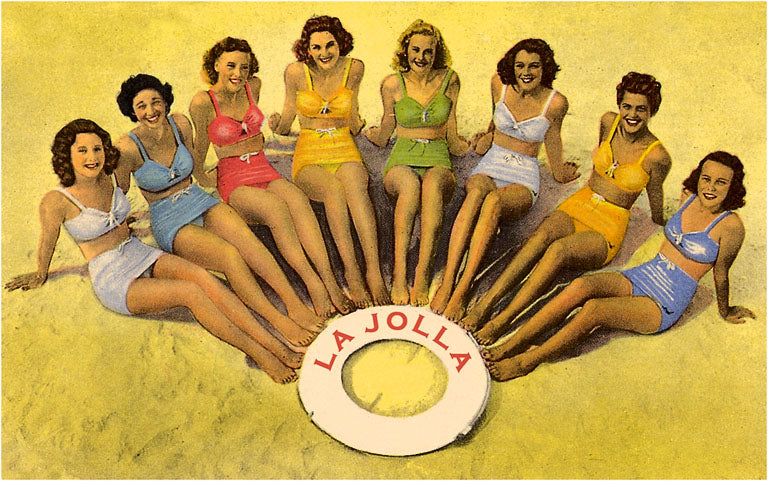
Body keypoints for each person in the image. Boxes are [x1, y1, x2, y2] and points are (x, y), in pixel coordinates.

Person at [4, 119, 302, 383]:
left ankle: (273, 342)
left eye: (97, 149)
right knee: (191, 293)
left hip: (138, 252)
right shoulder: (56, 200)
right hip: (112, 277)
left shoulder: (108, 179)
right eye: (82, 150)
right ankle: (260, 354)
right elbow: (48, 241)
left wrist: (124, 223)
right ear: (66, 155)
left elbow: (121, 211)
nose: (92, 157)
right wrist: (40, 273)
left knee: (205, 278)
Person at [483, 152, 754, 380]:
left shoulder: (731, 226)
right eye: (706, 178)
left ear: (733, 187)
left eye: (721, 183)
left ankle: (528, 360)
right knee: (581, 285)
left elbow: (721, 273)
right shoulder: (689, 198)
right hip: (644, 274)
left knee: (594, 310)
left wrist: (726, 310)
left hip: (665, 302)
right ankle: (511, 342)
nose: (710, 187)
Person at [114, 74, 323, 347]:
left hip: (198, 199)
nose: (151, 111)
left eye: (156, 102)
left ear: (165, 101)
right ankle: (277, 319)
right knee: (229, 256)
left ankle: (293, 304)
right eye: (141, 106)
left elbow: (195, 160)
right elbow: (118, 191)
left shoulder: (180, 123)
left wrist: (211, 175)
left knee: (248, 242)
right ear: (131, 111)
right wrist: (120, 224)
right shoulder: (127, 147)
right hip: (169, 219)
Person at [463, 72, 672, 345]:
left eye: (641, 109)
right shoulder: (608, 122)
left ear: (652, 110)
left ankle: (503, 319)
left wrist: (660, 219)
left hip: (608, 224)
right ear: (619, 104)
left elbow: (655, 193)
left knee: (558, 251)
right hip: (579, 203)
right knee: (539, 238)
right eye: (627, 106)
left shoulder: (657, 156)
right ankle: (485, 305)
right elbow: (598, 163)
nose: (632, 115)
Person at [188, 37, 352, 318]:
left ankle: (329, 280)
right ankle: (314, 285)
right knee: (276, 209)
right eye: (231, 66)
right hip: (233, 178)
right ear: (215, 65)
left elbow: (257, 134)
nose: (238, 73)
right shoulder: (203, 101)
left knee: (298, 200)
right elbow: (199, 148)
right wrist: (203, 177)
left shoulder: (254, 86)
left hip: (263, 167)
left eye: (244, 67)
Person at [430, 38, 578, 317]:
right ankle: (448, 282)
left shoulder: (555, 102)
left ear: (545, 68)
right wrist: (487, 135)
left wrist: (561, 172)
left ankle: (462, 289)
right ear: (512, 66)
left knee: (494, 202)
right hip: (492, 162)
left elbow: (553, 142)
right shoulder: (499, 83)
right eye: (520, 65)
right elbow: (494, 119)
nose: (526, 72)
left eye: (534, 66)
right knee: (476, 193)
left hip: (523, 174)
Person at [269, 15, 390, 307]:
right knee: (334, 190)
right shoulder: (295, 72)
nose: (324, 53)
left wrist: (368, 128)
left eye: (330, 45)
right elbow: (287, 119)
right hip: (310, 151)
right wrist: (277, 125)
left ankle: (373, 272)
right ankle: (353, 273)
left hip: (344, 145)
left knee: (356, 188)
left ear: (340, 43)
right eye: (316, 47)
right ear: (307, 49)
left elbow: (352, 116)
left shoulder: (354, 68)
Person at [364, 20, 469, 305]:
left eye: (428, 52)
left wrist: (472, 144)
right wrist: (370, 134)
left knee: (433, 186)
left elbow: (452, 131)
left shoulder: (450, 79)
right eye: (416, 50)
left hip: (438, 158)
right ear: (406, 51)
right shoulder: (391, 84)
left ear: (437, 53)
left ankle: (422, 275)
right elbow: (386, 131)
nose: (421, 57)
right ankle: (399, 276)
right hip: (402, 158)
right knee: (410, 187)